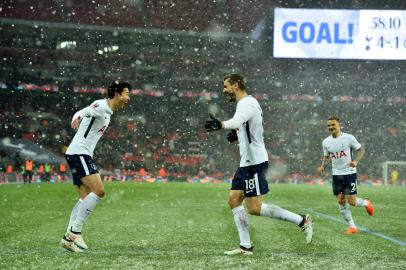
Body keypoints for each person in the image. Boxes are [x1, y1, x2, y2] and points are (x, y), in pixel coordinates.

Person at [205, 74, 312, 256]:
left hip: (254, 162)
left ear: (236, 85)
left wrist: (222, 125)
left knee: (254, 208)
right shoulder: (248, 103)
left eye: (225, 86)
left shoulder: (246, 103)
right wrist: (237, 135)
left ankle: (302, 221)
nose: (224, 91)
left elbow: (238, 121)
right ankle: (245, 247)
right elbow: (247, 125)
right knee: (234, 200)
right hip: (246, 161)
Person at [60, 81, 131, 252]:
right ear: (116, 94)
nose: (128, 98)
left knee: (85, 197)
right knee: (99, 191)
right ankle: (74, 232)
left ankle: (69, 239)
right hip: (79, 153)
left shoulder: (108, 112)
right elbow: (85, 111)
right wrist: (76, 117)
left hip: (78, 153)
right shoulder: (101, 105)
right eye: (126, 93)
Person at [317, 116, 374, 234]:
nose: (331, 127)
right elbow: (327, 156)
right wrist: (323, 166)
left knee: (352, 202)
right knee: (340, 200)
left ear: (339, 125)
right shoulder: (326, 142)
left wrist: (355, 161)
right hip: (336, 175)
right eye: (328, 125)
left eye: (333, 125)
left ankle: (366, 203)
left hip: (349, 173)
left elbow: (361, 150)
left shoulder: (349, 138)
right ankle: (352, 227)